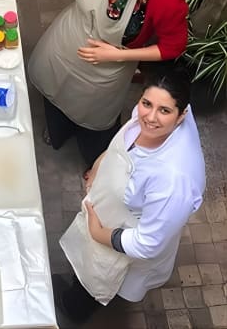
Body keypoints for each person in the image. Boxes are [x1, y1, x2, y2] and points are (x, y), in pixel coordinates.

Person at [26, 0, 188, 168]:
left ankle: (95, 163)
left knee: (96, 130)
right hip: (63, 48)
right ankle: (57, 135)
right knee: (54, 100)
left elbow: (173, 46)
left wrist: (120, 55)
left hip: (107, 73)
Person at [53, 68, 206, 324]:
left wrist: (100, 234)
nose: (150, 117)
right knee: (87, 264)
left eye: (164, 111)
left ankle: (74, 309)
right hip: (104, 214)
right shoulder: (150, 117)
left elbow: (148, 242)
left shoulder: (174, 180)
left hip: (120, 237)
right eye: (146, 103)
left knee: (97, 280)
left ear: (182, 116)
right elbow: (127, 136)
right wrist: (101, 164)